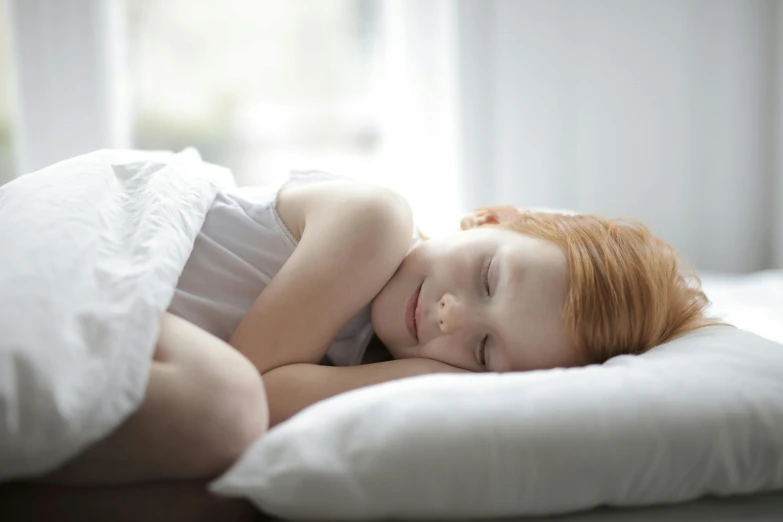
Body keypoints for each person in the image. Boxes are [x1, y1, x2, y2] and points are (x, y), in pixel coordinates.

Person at [3, 171, 722, 521]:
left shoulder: (359, 360)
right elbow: (263, 390)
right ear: (485, 218)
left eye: (483, 352)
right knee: (221, 412)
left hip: (108, 322)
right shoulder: (376, 221)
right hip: (85, 243)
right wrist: (462, 375)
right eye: (486, 276)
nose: (447, 316)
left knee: (220, 499)